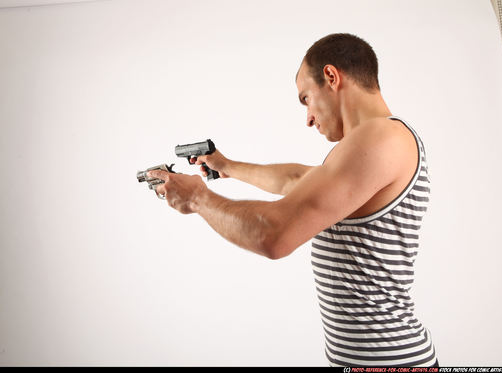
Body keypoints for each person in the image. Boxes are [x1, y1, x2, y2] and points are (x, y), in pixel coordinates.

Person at [148, 33, 438, 367]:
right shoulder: (372, 142)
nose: (308, 118)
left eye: (306, 99)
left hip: (390, 362)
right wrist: (226, 166)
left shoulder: (381, 138)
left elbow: (273, 234)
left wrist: (198, 198)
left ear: (331, 76)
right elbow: (298, 180)